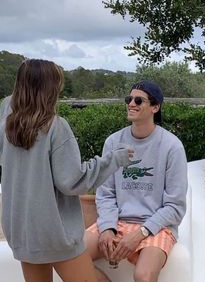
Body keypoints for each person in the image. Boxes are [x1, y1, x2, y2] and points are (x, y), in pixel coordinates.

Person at [0, 59, 134, 282]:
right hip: (54, 235)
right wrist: (114, 159)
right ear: (50, 88)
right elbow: (73, 182)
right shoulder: (56, 127)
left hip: (23, 233)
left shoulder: (7, 126)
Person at [85, 79, 188, 282]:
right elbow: (106, 193)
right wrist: (107, 227)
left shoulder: (171, 146)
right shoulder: (113, 142)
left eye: (139, 100)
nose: (131, 103)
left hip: (156, 226)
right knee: (73, 258)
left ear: (155, 107)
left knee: (143, 276)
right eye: (129, 99)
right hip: (117, 221)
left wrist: (140, 233)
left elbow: (175, 206)